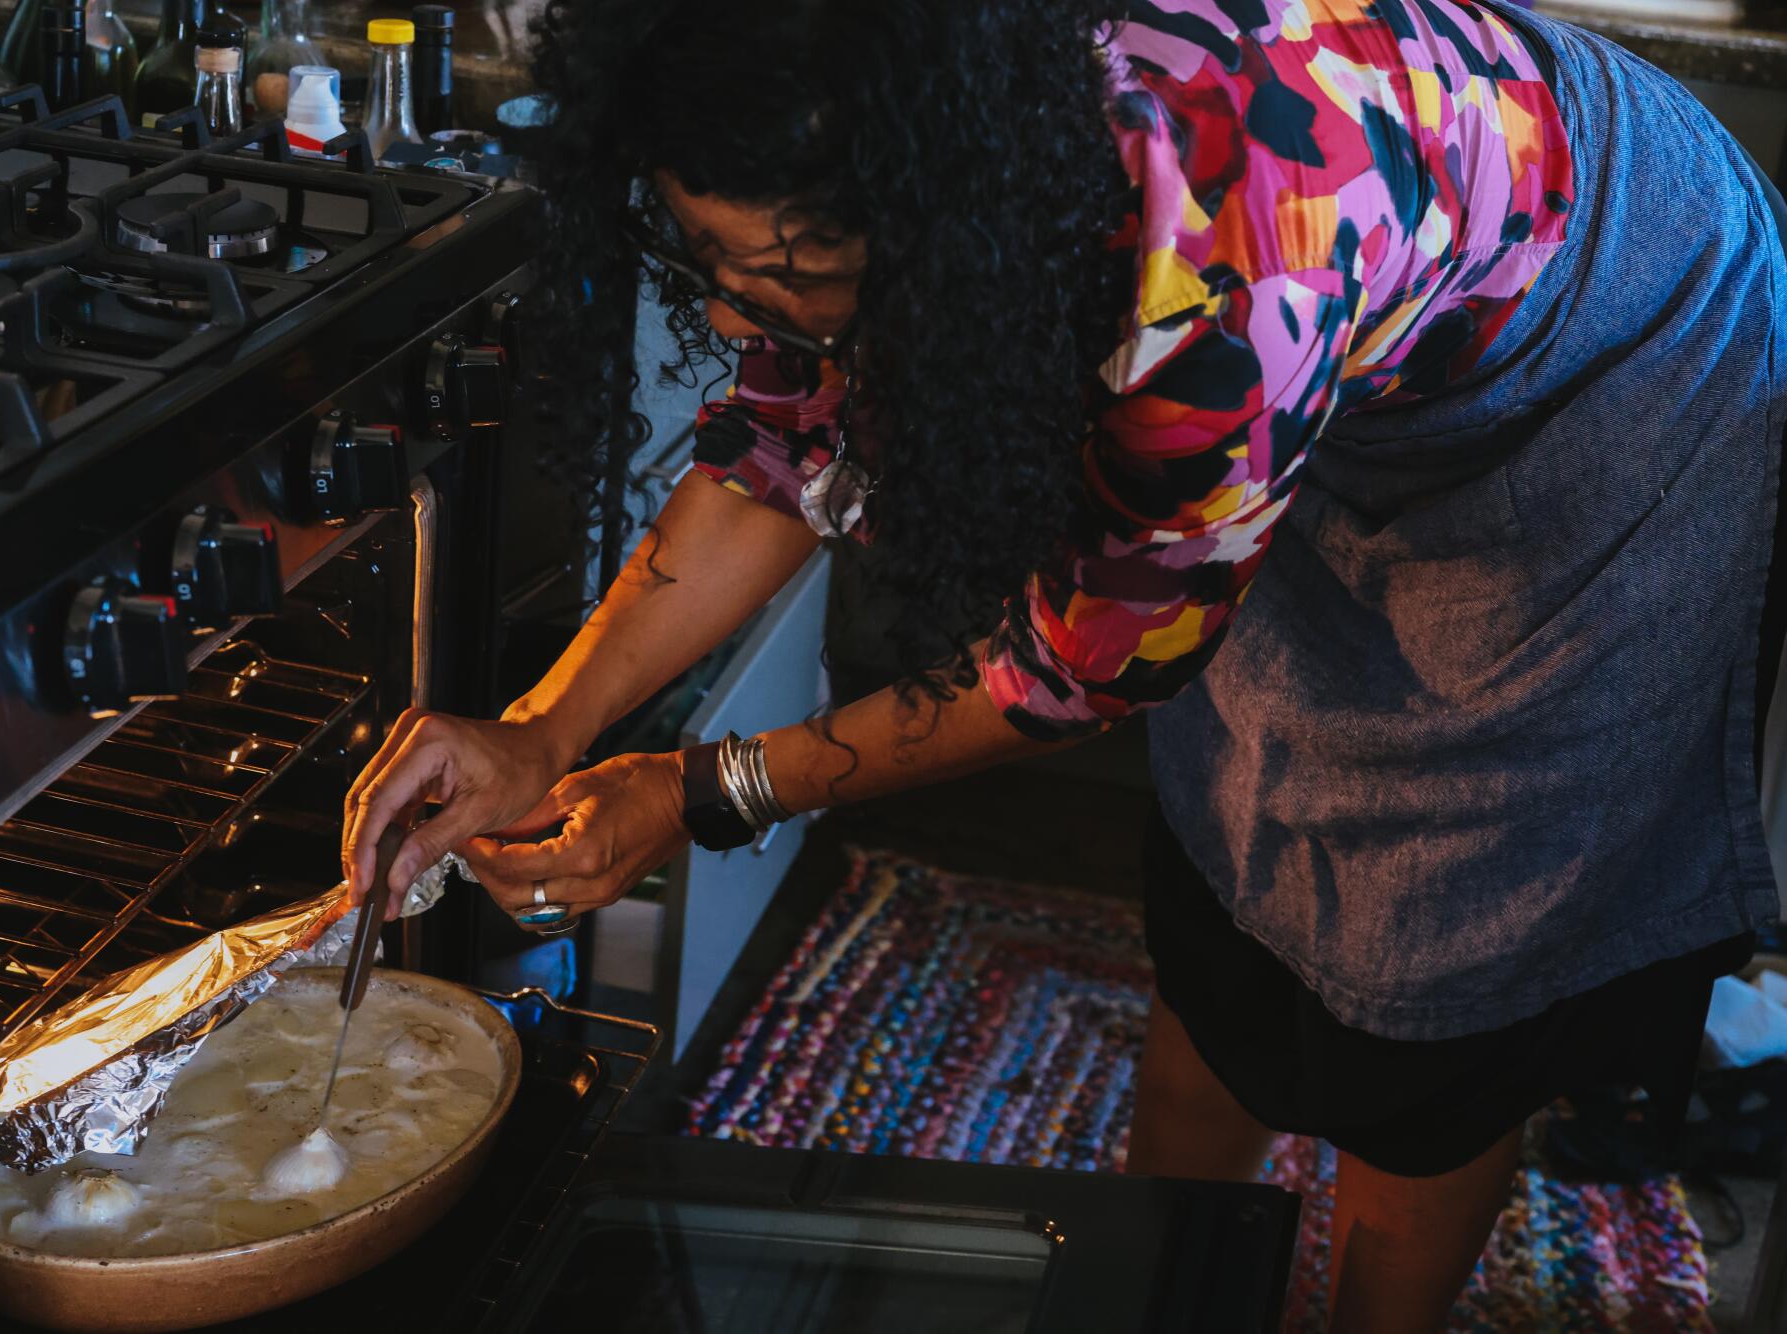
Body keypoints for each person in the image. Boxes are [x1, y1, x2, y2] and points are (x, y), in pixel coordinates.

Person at [341, 0, 1787, 1327]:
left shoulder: (1210, 268)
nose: (729, 314)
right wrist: (540, 726)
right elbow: (785, 439)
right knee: (1239, 844)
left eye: (787, 275)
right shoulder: (919, 111)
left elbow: (1079, 669)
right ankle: (1157, 1267)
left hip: (1622, 366)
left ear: (936, 232)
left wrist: (698, 786)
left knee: (1446, 939)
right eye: (710, 260)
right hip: (1368, 312)